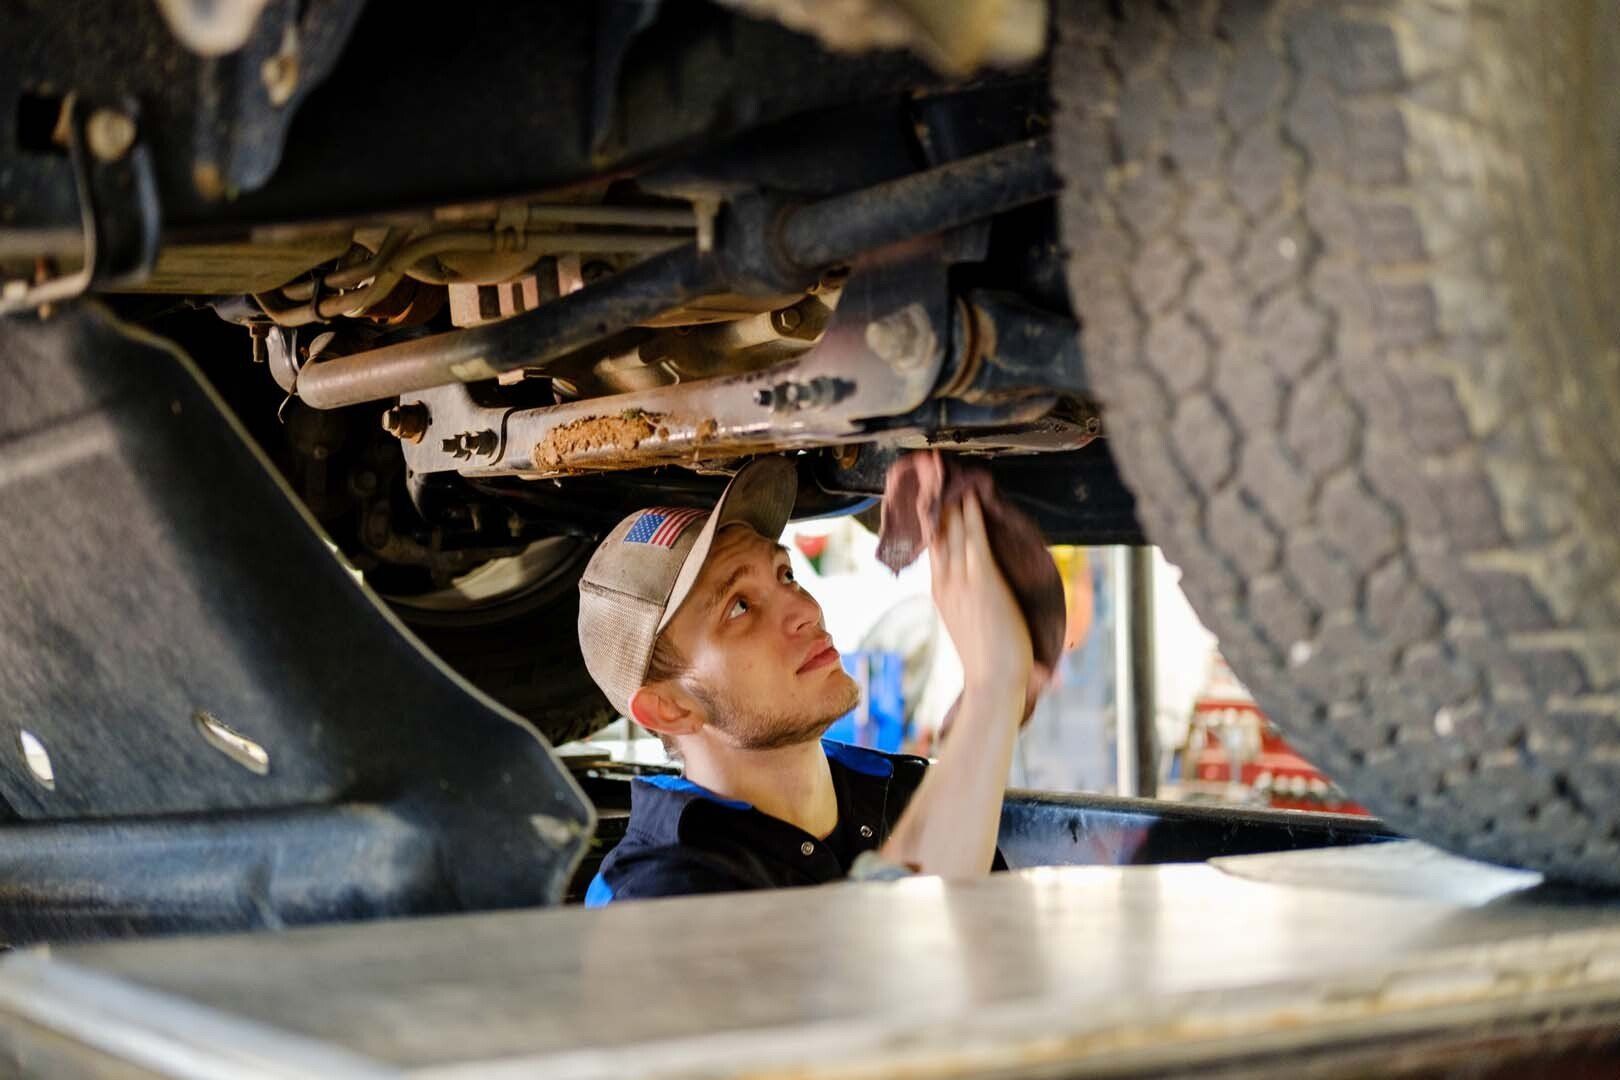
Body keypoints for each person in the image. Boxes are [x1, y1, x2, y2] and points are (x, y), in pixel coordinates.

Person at [580, 457, 1034, 905]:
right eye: (739, 607)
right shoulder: (652, 897)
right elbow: (872, 972)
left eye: (786, 575)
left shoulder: (904, 796)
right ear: (670, 708)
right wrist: (993, 690)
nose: (805, 611)